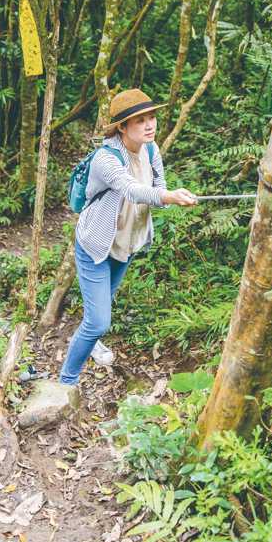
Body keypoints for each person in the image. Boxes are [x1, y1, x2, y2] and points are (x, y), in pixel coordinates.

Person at [59, 88, 197, 388]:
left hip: (127, 243)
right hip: (96, 245)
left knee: (102, 306)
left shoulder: (150, 149)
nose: (150, 125)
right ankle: (66, 381)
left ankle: (91, 341)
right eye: (140, 121)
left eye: (152, 118)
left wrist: (168, 194)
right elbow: (132, 189)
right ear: (122, 127)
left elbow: (157, 183)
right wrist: (168, 196)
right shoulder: (106, 159)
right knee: (98, 321)